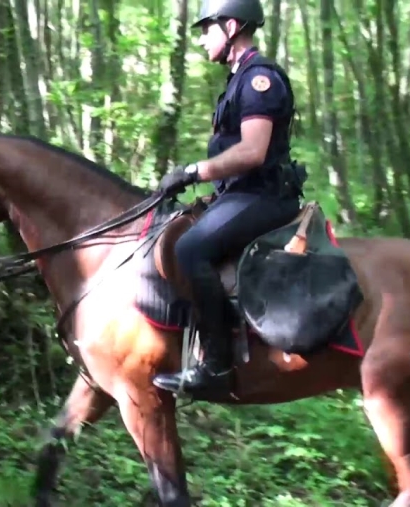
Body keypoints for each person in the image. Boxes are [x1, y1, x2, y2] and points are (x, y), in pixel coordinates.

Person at [151, 0, 306, 395]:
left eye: (208, 29)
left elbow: (253, 152)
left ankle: (216, 368)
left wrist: (193, 172)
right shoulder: (238, 80)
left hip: (264, 196)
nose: (203, 39)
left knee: (189, 251)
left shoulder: (259, 79)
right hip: (242, 194)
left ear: (232, 25)